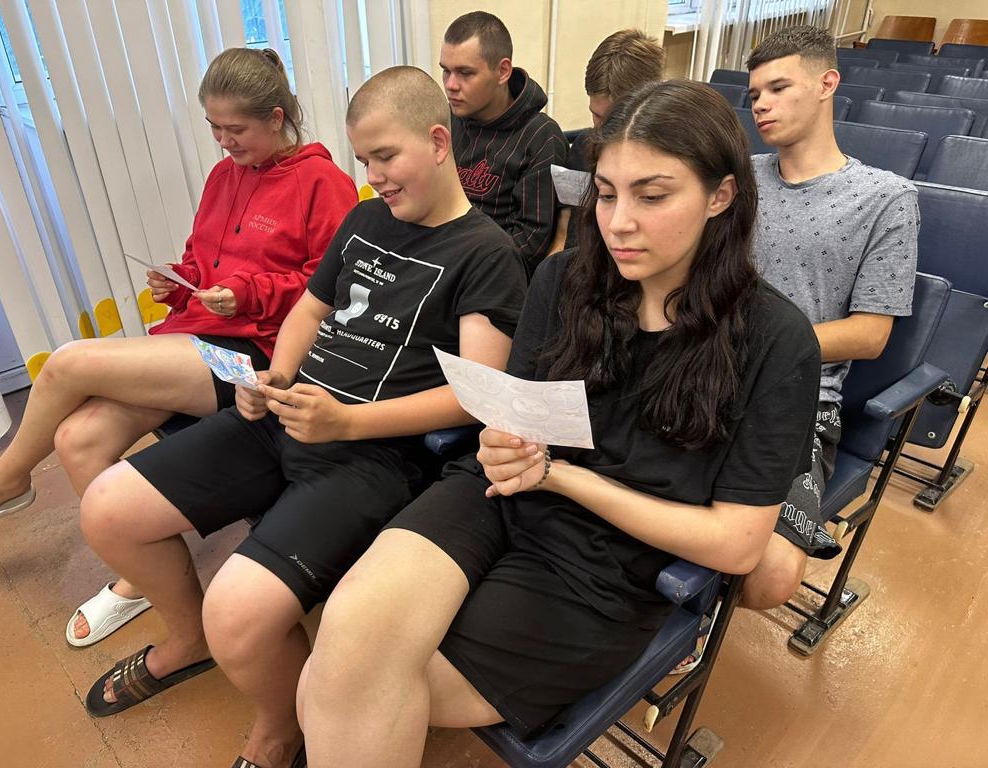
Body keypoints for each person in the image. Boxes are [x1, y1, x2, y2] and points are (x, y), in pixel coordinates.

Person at [297, 80, 822, 766]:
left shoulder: (776, 341)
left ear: (720, 196)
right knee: (342, 653)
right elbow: (520, 412)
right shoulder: (564, 281)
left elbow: (737, 545)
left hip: (606, 562)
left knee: (361, 688)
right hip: (499, 493)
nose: (619, 222)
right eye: (605, 194)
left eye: (652, 196)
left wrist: (564, 478)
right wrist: (503, 441)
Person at [77, 66, 526, 768]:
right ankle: (190, 641)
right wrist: (275, 378)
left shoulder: (485, 254)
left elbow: (478, 395)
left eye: (386, 157)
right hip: (289, 414)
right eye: (364, 160)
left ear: (438, 142)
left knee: (238, 613)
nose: (374, 177)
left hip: (374, 455)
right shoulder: (366, 219)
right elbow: (309, 312)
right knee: (107, 509)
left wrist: (344, 423)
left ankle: (279, 726)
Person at [0, 47, 358, 648]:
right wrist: (181, 280)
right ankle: (145, 575)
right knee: (77, 439)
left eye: (235, 129)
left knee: (68, 363)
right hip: (199, 336)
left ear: (277, 118)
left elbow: (329, 288)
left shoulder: (323, 183)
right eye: (214, 128)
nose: (223, 141)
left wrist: (245, 293)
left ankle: (1, 484)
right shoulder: (224, 176)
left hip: (260, 355)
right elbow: (205, 258)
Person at [737, 25, 919, 612]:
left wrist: (760, 347)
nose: (760, 105)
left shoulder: (885, 198)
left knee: (771, 577)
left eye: (778, 88)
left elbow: (870, 335)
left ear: (826, 83)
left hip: (796, 399)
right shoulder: (741, 180)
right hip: (704, 371)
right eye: (754, 93)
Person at [440, 11, 568, 273]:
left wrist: (458, 265)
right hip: (437, 257)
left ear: (502, 71)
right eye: (446, 71)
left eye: (465, 73)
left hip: (490, 274)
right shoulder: (445, 121)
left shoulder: (540, 137)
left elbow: (530, 245)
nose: (451, 85)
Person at [553, 28, 665, 252]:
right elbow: (565, 230)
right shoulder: (584, 147)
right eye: (596, 115)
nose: (601, 130)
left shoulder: (671, 161)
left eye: (614, 119)